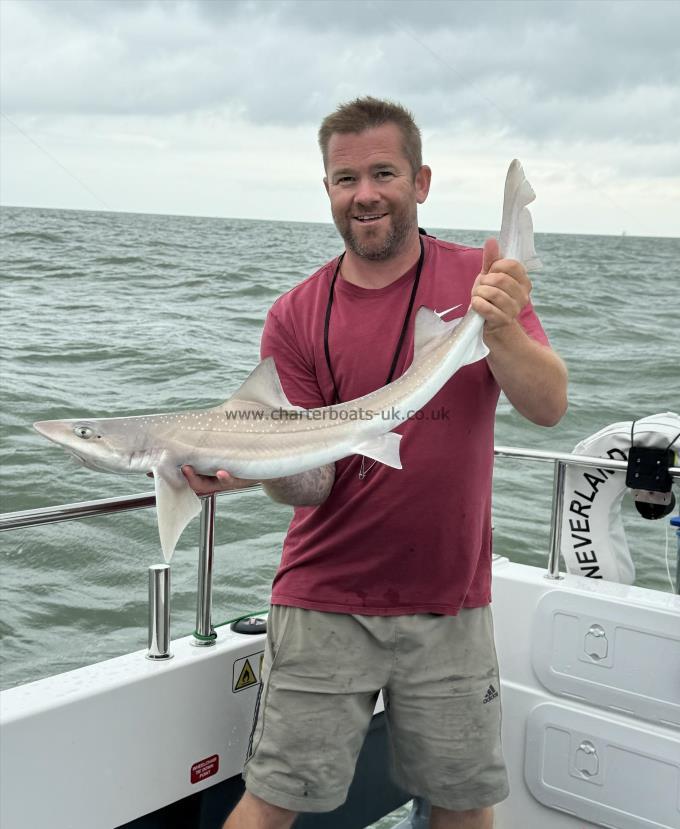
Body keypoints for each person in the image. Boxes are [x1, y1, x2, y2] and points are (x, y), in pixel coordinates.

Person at [184, 97, 568, 829]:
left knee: (462, 801)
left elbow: (548, 405)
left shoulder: (480, 279)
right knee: (271, 798)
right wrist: (248, 465)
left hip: (450, 598)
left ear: (420, 181)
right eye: (344, 178)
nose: (364, 193)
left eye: (383, 172)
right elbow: (314, 480)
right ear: (327, 190)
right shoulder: (296, 313)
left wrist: (502, 328)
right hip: (323, 597)